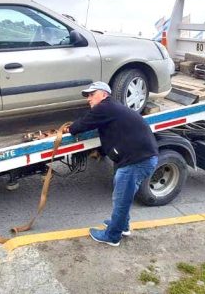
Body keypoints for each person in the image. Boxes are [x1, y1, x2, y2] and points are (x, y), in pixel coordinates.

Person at [63, 81, 158, 246]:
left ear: (104, 94)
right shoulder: (112, 108)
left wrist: (69, 129)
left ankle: (112, 236)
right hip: (139, 158)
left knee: (121, 198)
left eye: (92, 95)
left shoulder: (105, 107)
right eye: (88, 96)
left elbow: (82, 125)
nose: (89, 99)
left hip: (136, 160)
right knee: (124, 196)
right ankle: (123, 226)